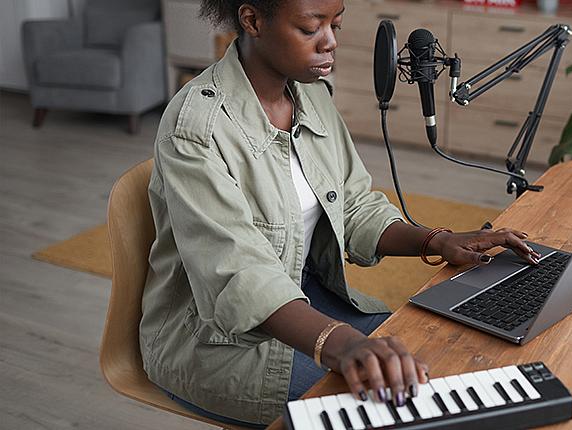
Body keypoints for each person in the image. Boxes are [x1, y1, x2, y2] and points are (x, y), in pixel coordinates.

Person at [140, 0, 541, 426]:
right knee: (405, 408)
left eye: (336, 24)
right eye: (312, 27)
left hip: (306, 297)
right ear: (253, 20)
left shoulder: (310, 94)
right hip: (216, 346)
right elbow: (239, 276)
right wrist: (342, 341)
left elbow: (353, 203)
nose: (331, 42)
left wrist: (437, 240)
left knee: (441, 357)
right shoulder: (196, 130)